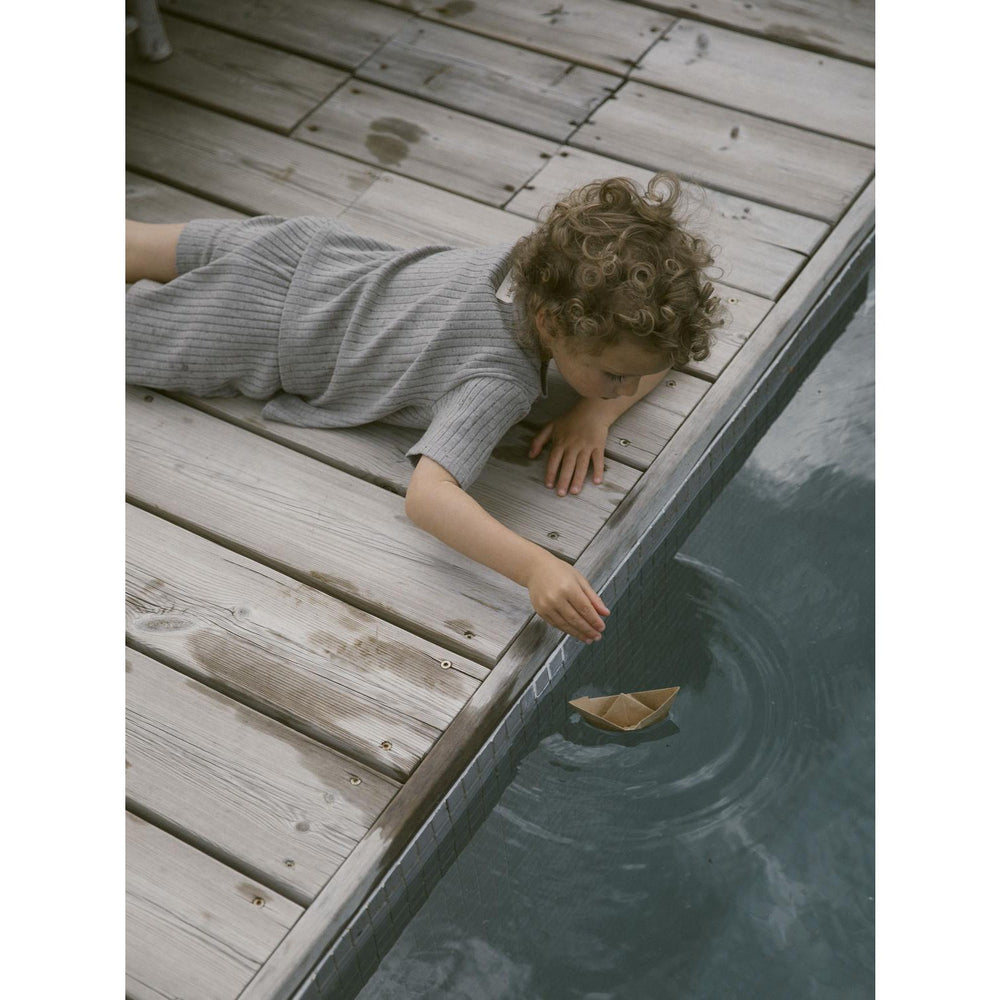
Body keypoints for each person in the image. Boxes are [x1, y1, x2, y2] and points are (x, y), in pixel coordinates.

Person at [126, 173, 722, 644]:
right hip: (254, 329)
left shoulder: (533, 266)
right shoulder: (498, 380)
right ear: (551, 324)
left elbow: (661, 351)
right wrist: (536, 567)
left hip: (311, 250)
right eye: (614, 377)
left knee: (129, 241)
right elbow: (429, 497)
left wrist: (595, 413)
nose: (625, 388)